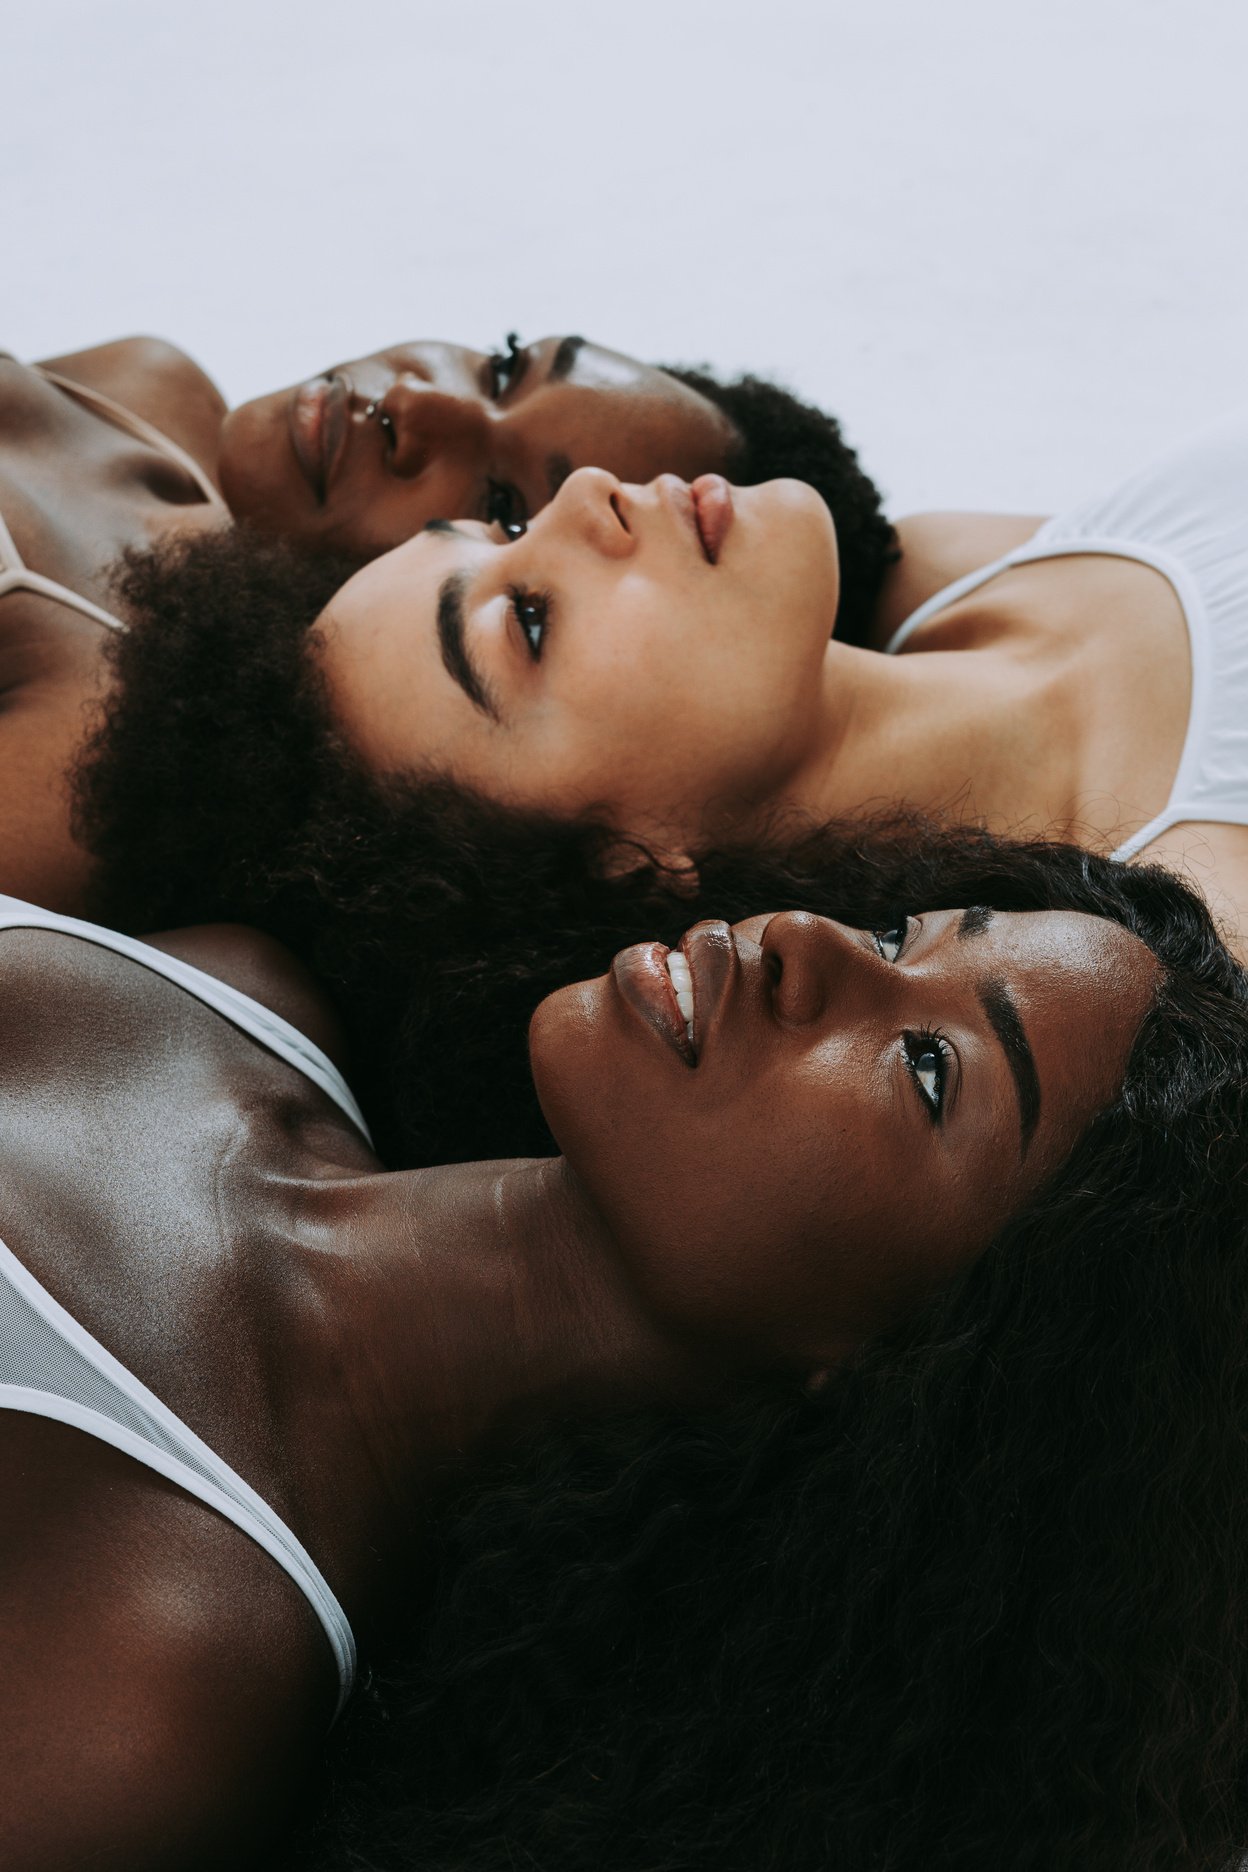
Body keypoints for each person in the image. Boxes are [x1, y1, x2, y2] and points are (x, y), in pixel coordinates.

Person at [1, 829, 1245, 1872]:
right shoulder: (241, 992)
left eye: (928, 1071)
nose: (806, 943)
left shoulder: (150, 1674)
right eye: (899, 937)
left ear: (905, 1383)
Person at [74, 416, 1248, 1160]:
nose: (588, 491)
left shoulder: (970, 569)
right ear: (636, 863)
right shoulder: (1203, 935)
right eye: (529, 621)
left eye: (504, 526)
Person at [0, 332, 893, 912]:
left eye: (501, 500)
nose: (416, 406)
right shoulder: (158, 384)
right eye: (505, 368)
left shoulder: (86, 753)